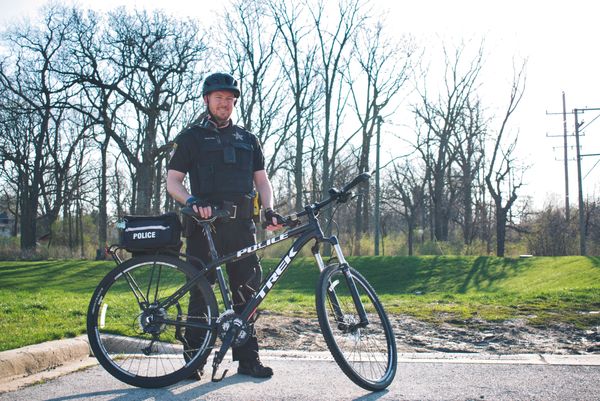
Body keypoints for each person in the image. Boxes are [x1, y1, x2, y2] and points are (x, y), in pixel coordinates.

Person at [166, 72, 283, 380]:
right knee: (201, 296)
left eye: (230, 99)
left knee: (247, 294)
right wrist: (192, 203)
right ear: (207, 100)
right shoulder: (191, 137)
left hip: (243, 228)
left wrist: (269, 209)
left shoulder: (248, 139)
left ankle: (248, 360)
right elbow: (173, 182)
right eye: (219, 98)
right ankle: (192, 364)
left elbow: (262, 181)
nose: (225, 104)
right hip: (205, 228)